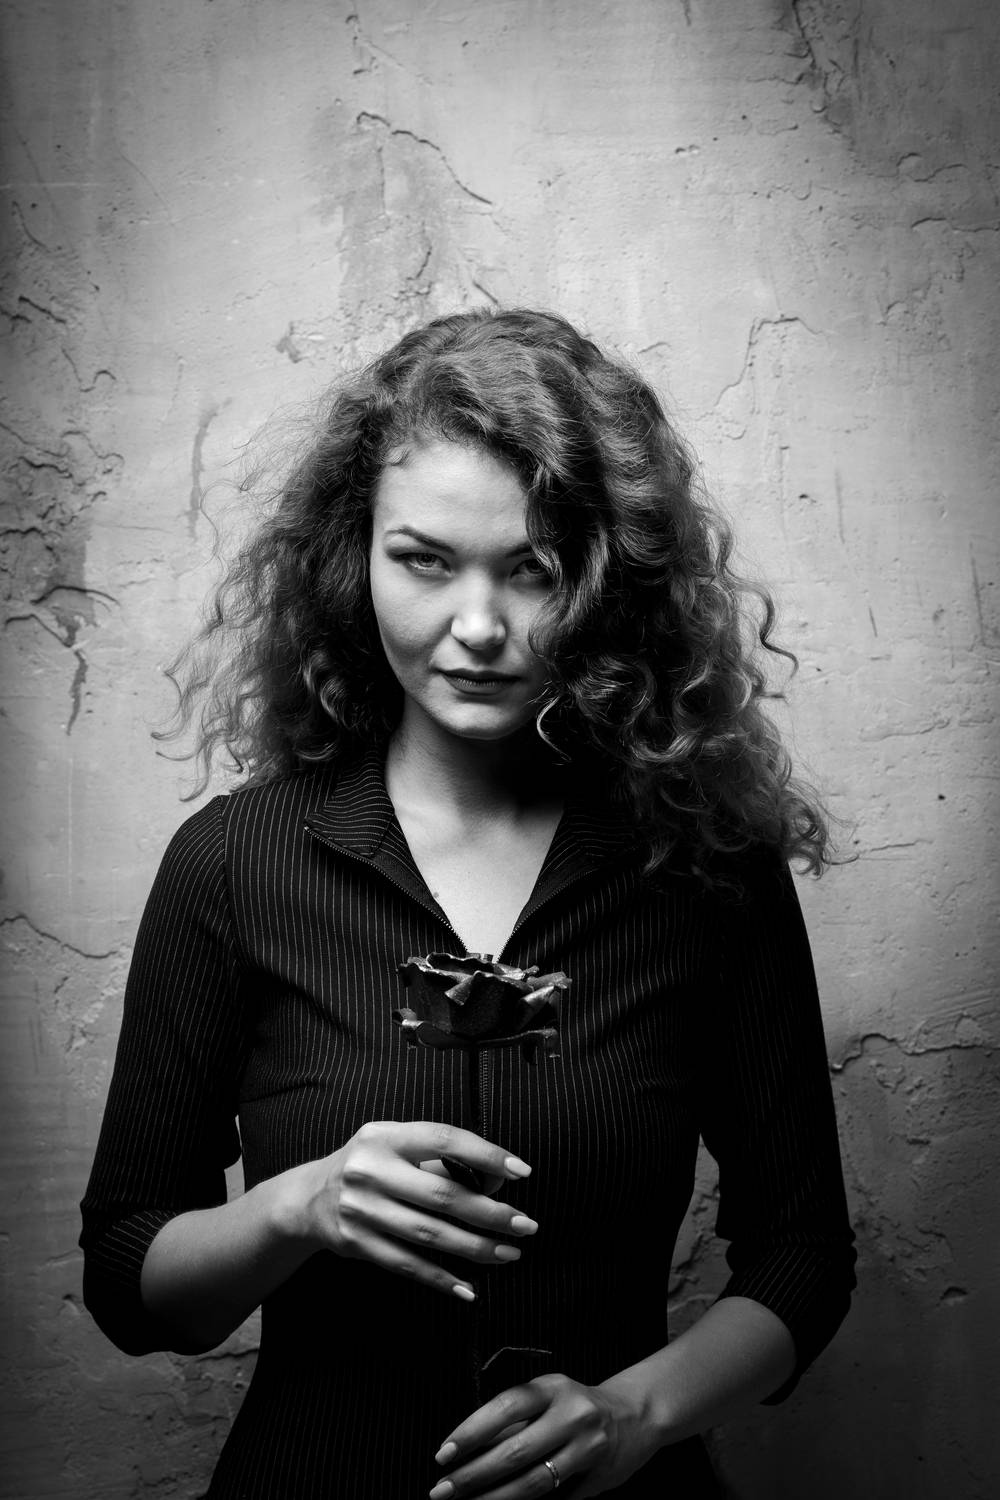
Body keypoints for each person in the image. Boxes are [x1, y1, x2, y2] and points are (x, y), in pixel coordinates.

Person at [80, 307, 856, 1498]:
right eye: (424, 560)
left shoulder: (705, 867)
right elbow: (130, 1285)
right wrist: (296, 1207)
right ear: (353, 559)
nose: (479, 628)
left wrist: (634, 1415)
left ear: (603, 579)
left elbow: (801, 1256)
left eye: (531, 570)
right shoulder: (232, 864)